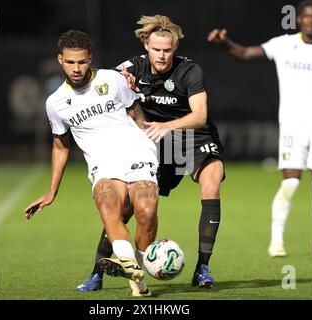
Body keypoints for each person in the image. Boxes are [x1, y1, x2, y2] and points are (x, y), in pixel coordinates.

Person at [76, 15, 225, 292]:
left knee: (212, 182)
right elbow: (102, 85)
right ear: (147, 45)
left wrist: (167, 126)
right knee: (127, 208)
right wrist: (120, 83)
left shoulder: (190, 71)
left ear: (175, 48)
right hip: (154, 143)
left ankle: (202, 268)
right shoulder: (132, 67)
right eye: (157, 49)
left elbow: (200, 115)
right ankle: (97, 273)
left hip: (192, 137)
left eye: (168, 50)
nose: (162, 55)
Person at [207, 0, 312, 258]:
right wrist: (224, 42)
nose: (310, 20)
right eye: (306, 16)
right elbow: (246, 53)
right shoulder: (283, 44)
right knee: (290, 183)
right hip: (293, 126)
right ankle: (277, 242)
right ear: (299, 19)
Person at [24, 30, 160, 297]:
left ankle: (136, 272)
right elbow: (60, 145)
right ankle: (135, 275)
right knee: (110, 207)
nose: (77, 68)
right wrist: (53, 190)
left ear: (91, 59)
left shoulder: (113, 79)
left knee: (146, 211)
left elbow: (136, 113)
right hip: (102, 163)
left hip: (137, 152)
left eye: (83, 62)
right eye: (71, 62)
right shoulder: (56, 103)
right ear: (60, 59)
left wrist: (154, 148)